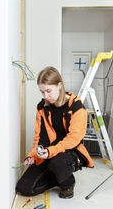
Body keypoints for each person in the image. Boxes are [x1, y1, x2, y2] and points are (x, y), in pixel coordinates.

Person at [16, 66, 94, 199]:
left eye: (48, 91)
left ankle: (68, 183)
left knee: (58, 163)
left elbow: (74, 139)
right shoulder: (42, 107)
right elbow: (39, 137)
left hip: (70, 151)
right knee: (24, 188)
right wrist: (33, 156)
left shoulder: (76, 107)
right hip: (49, 152)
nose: (46, 96)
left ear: (59, 85)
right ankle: (58, 176)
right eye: (42, 92)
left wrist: (51, 152)